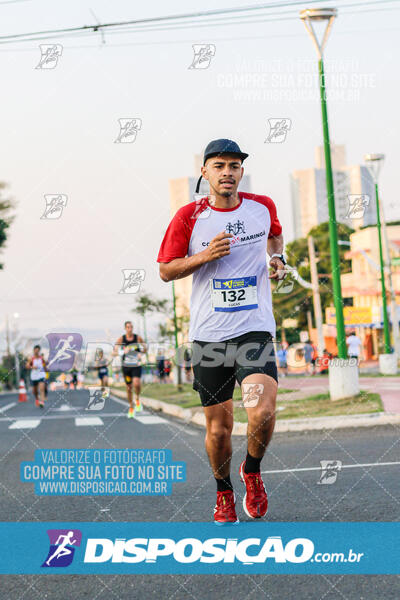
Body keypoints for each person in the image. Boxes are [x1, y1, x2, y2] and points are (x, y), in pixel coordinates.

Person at [158, 138, 285, 524]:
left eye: (234, 165)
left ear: (241, 172)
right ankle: (224, 491)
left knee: (261, 410)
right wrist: (204, 256)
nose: (227, 172)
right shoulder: (188, 216)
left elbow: (275, 235)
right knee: (219, 429)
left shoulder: (262, 207)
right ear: (205, 172)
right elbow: (166, 269)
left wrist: (276, 257)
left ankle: (252, 471)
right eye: (219, 166)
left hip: (254, 329)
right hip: (209, 337)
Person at [114, 321, 146, 418]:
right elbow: (114, 351)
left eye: (131, 327)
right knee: (129, 388)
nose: (130, 329)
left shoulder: (137, 338)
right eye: (128, 327)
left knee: (136, 383)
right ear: (125, 328)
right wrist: (123, 351)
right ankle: (131, 407)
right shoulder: (121, 339)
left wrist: (142, 353)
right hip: (126, 367)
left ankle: (137, 399)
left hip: (136, 365)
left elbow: (145, 348)